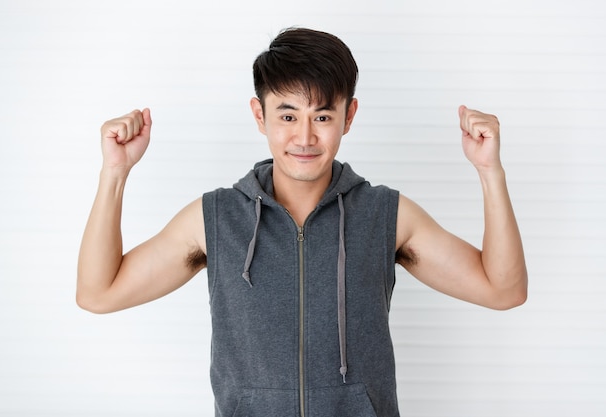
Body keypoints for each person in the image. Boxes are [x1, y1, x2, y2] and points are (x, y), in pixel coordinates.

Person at [77, 27, 527, 417]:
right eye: (288, 115)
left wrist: (490, 172)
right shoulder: (215, 219)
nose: (305, 137)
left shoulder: (385, 215)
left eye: (323, 116)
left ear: (348, 117)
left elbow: (503, 289)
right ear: (260, 115)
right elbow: (99, 293)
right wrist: (114, 173)